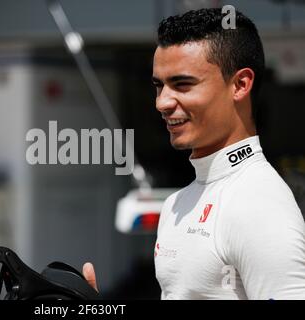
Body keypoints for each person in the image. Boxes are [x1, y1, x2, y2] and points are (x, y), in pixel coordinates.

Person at [83, 8, 305, 299]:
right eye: (159, 86)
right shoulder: (177, 203)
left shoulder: (259, 203)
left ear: (240, 85)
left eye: (182, 84)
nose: (162, 102)